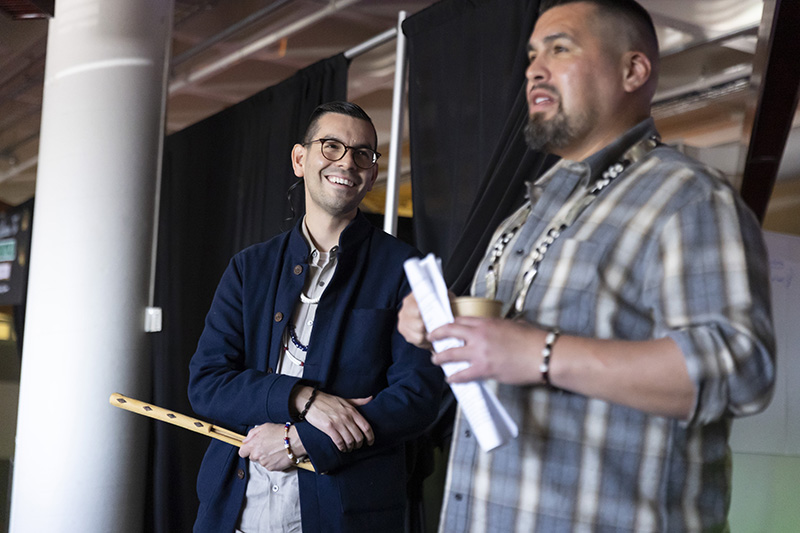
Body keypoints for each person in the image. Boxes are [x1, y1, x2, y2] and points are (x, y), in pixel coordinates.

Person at [398, 1, 776, 531]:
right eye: (532, 54)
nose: (534, 68)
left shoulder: (686, 198)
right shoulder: (523, 215)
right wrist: (438, 320)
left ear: (633, 71)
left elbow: (741, 370)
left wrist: (543, 353)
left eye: (560, 48)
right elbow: (499, 346)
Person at [188, 101, 444, 532]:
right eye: (331, 146)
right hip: (234, 513)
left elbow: (418, 397)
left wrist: (300, 439)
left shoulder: (410, 269)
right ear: (299, 159)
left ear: (373, 172)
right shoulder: (248, 268)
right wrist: (302, 399)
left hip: (348, 514)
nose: (347, 161)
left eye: (363, 153)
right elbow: (207, 383)